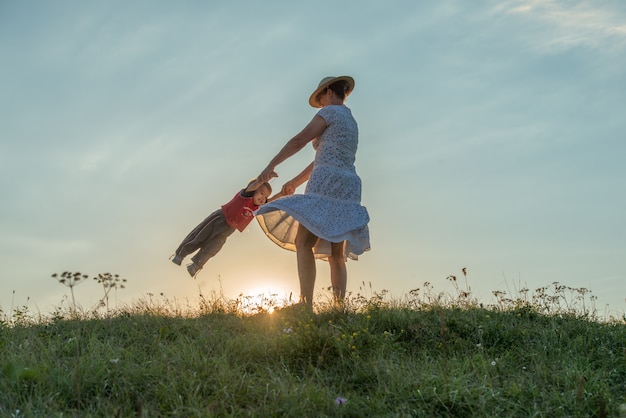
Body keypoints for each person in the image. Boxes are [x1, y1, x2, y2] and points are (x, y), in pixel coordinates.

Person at [256, 75, 370, 308]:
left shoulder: (330, 113)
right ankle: (339, 309)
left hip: (326, 181)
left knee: (303, 241)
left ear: (328, 92)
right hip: (349, 186)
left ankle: (305, 303)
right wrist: (296, 181)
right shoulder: (351, 121)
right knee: (336, 254)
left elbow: (299, 141)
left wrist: (271, 166)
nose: (321, 106)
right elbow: (326, 157)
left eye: (320, 100)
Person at [171, 179, 272, 278]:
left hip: (229, 230)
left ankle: (195, 265)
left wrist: (282, 193)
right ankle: (180, 254)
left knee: (213, 247)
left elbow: (271, 203)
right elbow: (257, 182)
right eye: (262, 193)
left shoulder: (256, 208)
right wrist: (265, 177)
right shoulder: (245, 196)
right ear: (253, 190)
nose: (263, 198)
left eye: (266, 197)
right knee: (199, 236)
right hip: (219, 219)